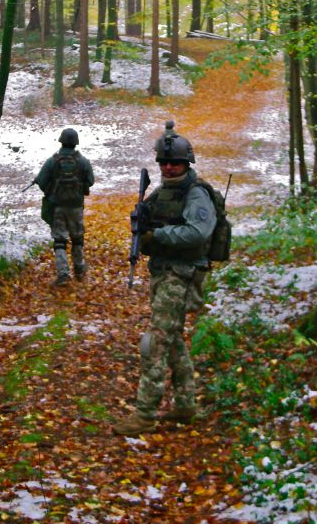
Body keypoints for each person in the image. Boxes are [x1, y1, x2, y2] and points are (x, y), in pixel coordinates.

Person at [114, 122, 215, 436]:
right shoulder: (161, 192)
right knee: (172, 344)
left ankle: (144, 414)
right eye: (165, 163)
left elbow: (198, 231)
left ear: (187, 164)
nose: (169, 167)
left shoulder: (196, 194)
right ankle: (186, 404)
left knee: (154, 343)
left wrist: (158, 234)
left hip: (181, 275)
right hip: (163, 274)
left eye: (175, 163)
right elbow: (150, 224)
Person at [35, 127, 95, 286]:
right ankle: (79, 268)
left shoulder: (52, 161)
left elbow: (41, 181)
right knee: (77, 238)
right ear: (76, 143)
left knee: (60, 241)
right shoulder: (82, 161)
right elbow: (91, 180)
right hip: (76, 207)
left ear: (61, 141)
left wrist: (51, 192)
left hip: (58, 207)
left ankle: (63, 275)